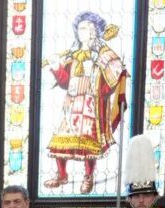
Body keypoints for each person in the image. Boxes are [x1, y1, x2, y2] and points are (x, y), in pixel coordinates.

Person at [44, 12, 127, 194]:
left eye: (87, 28)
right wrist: (57, 67)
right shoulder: (73, 55)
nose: (82, 31)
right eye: (80, 28)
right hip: (72, 104)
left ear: (95, 31)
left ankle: (88, 176)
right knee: (60, 138)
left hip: (91, 104)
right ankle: (62, 175)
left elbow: (111, 80)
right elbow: (65, 82)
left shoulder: (104, 55)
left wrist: (104, 66)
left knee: (89, 142)